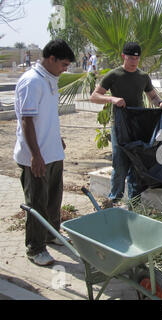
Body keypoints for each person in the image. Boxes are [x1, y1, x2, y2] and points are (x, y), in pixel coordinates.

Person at [14, 39, 75, 266]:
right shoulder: (32, 82)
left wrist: (56, 139)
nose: (66, 69)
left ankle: (52, 234)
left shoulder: (50, 79)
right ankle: (35, 249)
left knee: (53, 199)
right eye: (64, 64)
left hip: (53, 153)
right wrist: (35, 155)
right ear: (51, 59)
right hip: (36, 157)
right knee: (37, 204)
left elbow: (45, 116)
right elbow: (27, 121)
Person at [90, 42, 162, 205]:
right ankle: (114, 199)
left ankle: (134, 201)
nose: (133, 61)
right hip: (119, 126)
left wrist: (160, 103)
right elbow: (94, 96)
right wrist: (112, 99)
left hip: (138, 126)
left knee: (137, 163)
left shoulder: (143, 77)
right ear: (123, 56)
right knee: (119, 163)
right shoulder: (114, 75)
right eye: (130, 58)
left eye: (136, 58)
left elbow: (152, 96)